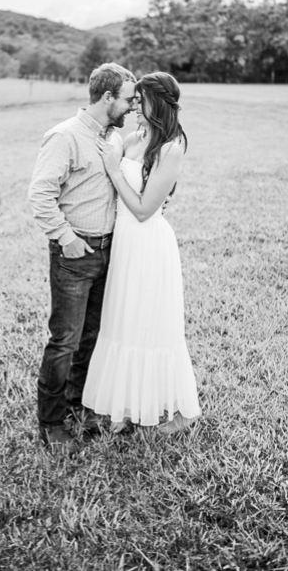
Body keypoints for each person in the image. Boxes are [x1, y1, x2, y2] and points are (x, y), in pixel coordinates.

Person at [82, 72, 201, 434]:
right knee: (122, 320)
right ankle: (125, 406)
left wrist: (114, 170)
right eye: (132, 99)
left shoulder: (171, 147)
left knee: (153, 326)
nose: (134, 104)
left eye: (140, 99)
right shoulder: (133, 136)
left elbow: (145, 209)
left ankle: (182, 412)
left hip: (149, 243)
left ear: (156, 103)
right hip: (124, 244)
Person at [28, 63, 137, 448]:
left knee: (93, 337)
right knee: (65, 341)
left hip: (110, 252)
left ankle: (79, 405)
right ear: (107, 98)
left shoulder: (112, 139)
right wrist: (65, 237)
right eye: (127, 100)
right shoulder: (65, 137)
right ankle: (51, 423)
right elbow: (39, 195)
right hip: (75, 254)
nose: (131, 107)